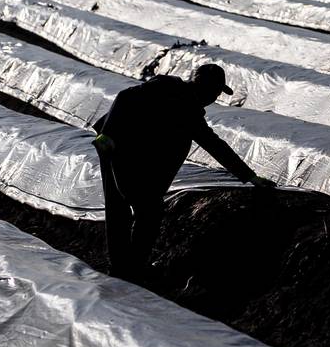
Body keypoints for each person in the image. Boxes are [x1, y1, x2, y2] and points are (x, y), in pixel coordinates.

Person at [91, 63, 276, 281]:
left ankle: (126, 267)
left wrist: (249, 176)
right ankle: (131, 269)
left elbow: (213, 144)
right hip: (116, 145)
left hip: (134, 151)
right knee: (143, 209)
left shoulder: (191, 111)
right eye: (215, 91)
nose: (215, 97)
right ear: (203, 87)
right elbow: (124, 97)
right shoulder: (166, 87)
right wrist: (108, 133)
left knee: (133, 208)